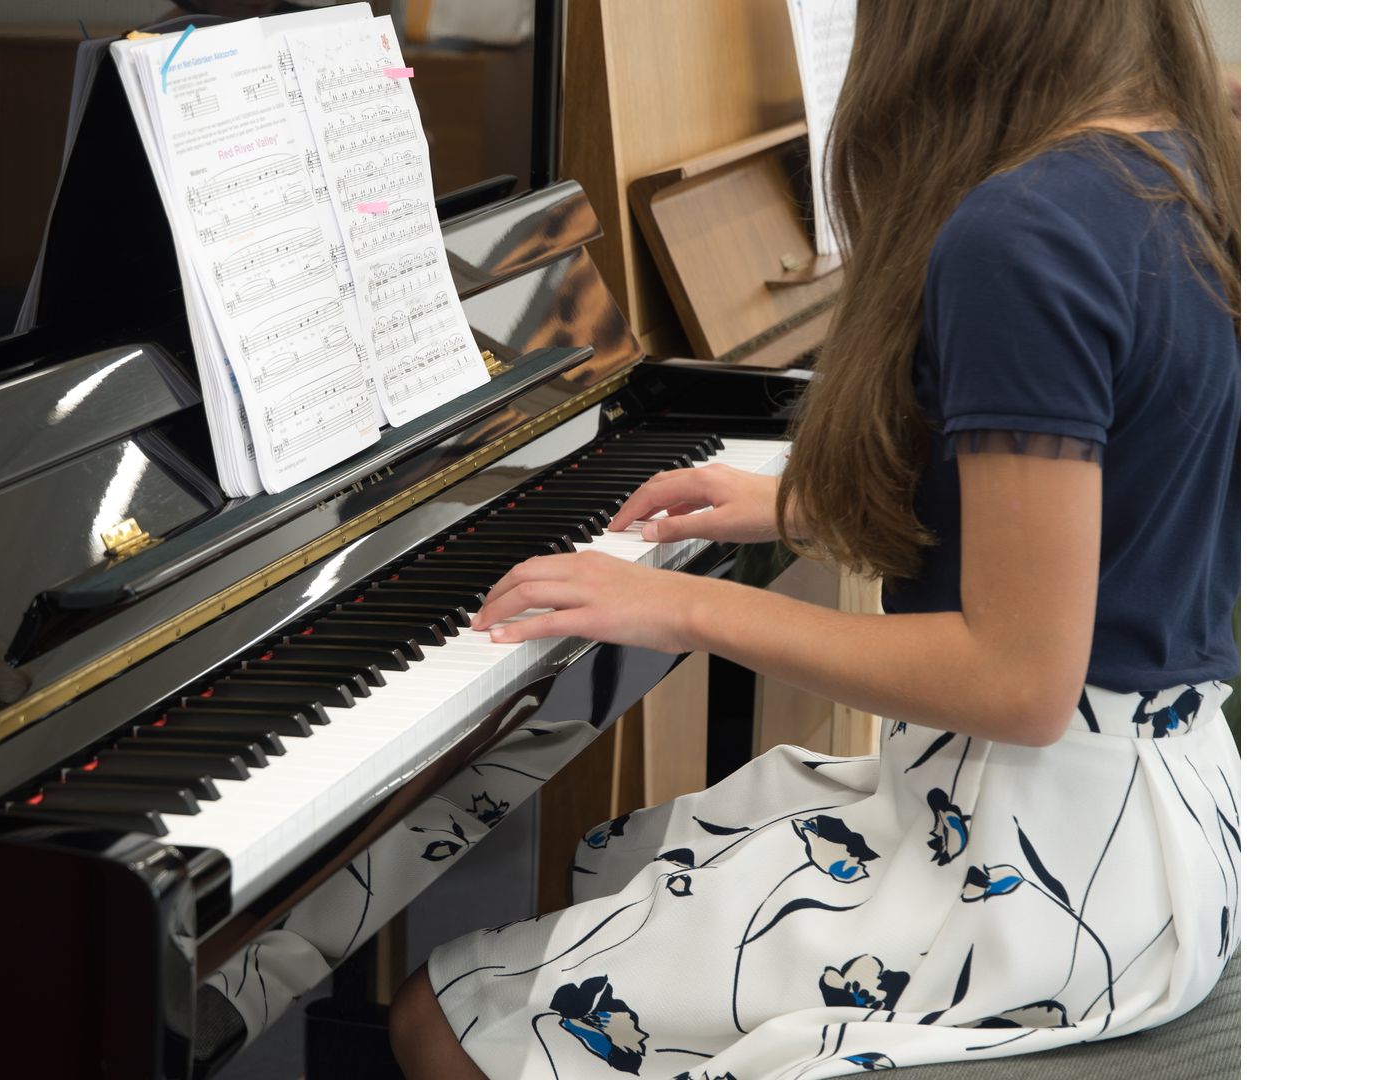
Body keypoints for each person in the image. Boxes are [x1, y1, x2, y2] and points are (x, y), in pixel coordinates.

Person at [389, 0, 1239, 1076]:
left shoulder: (1024, 231)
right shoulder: (1170, 162)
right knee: (628, 858)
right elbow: (1121, 492)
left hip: (1040, 879)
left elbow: (1020, 678)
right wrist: (817, 500)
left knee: (444, 1017)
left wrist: (685, 604)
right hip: (1163, 825)